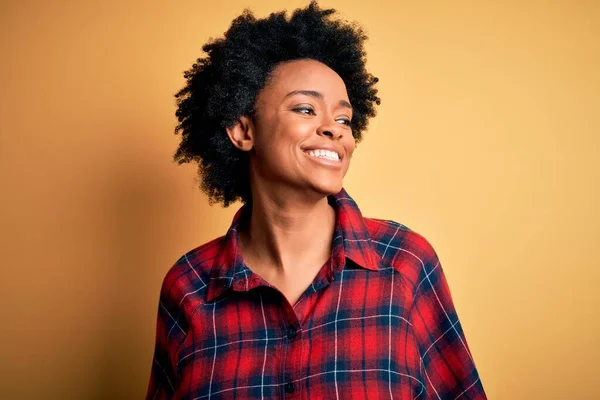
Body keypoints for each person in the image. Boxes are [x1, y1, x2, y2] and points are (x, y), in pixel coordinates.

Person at [146, 2, 486, 398]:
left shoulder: (405, 266)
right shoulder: (188, 286)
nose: (334, 130)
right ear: (242, 130)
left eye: (344, 119)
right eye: (306, 108)